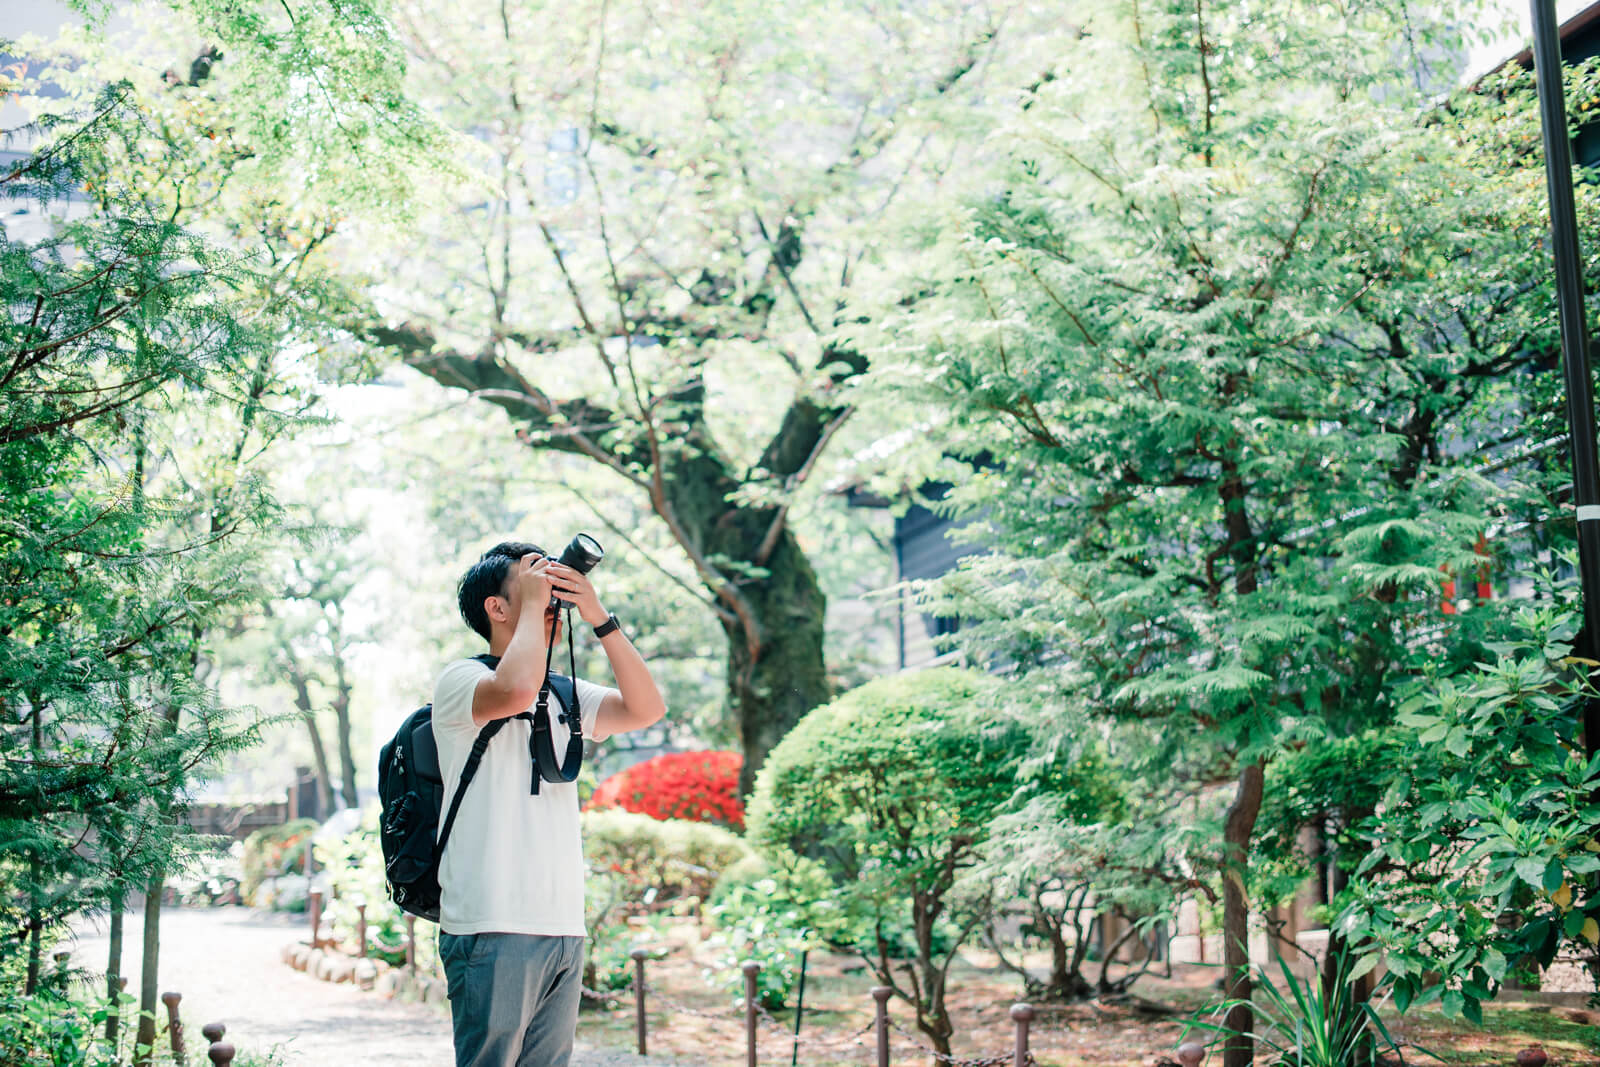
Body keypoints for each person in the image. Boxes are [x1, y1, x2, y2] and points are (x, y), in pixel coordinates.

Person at [431, 541, 667, 1067]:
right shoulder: (461, 680)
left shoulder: (564, 694)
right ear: (496, 607)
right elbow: (513, 691)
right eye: (534, 583)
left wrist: (597, 615)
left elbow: (647, 708)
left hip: (561, 923)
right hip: (491, 921)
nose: (549, 594)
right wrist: (539, 609)